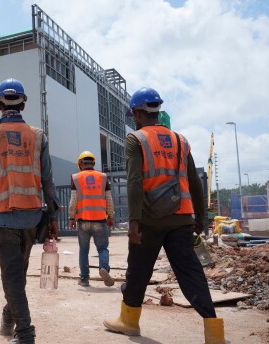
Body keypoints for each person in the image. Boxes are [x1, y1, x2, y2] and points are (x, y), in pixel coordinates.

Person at [103, 87, 225, 343]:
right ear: (157, 111)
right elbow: (194, 182)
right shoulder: (181, 141)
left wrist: (134, 221)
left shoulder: (135, 139)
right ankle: (214, 332)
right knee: (191, 273)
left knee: (138, 271)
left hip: (149, 220)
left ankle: (129, 321)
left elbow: (134, 181)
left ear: (137, 113)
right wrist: (200, 219)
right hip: (181, 218)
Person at [0, 78, 59, 344]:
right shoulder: (37, 135)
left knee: (12, 277)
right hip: (33, 217)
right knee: (17, 275)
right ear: (23, 103)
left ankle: (25, 334)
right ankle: (9, 318)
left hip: (4, 218)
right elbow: (48, 180)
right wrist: (53, 217)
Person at [68, 150, 115, 287]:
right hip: (100, 220)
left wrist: (71, 218)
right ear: (93, 163)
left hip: (83, 220)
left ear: (80, 164)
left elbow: (73, 201)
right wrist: (110, 216)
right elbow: (109, 199)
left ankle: (84, 278)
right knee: (102, 248)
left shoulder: (76, 178)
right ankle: (104, 269)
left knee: (84, 250)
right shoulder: (103, 177)